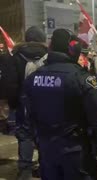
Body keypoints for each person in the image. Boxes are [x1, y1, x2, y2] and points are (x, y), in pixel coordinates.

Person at [23, 29, 97, 180]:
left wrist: (39, 141)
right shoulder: (81, 79)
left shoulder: (33, 78)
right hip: (76, 153)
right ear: (73, 50)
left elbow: (26, 117)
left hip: (47, 151)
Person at [8, 26, 48, 180]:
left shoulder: (16, 57)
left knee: (25, 135)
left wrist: (13, 104)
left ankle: (25, 171)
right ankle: (44, 166)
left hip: (23, 102)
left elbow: (11, 84)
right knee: (44, 134)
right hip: (45, 102)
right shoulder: (49, 56)